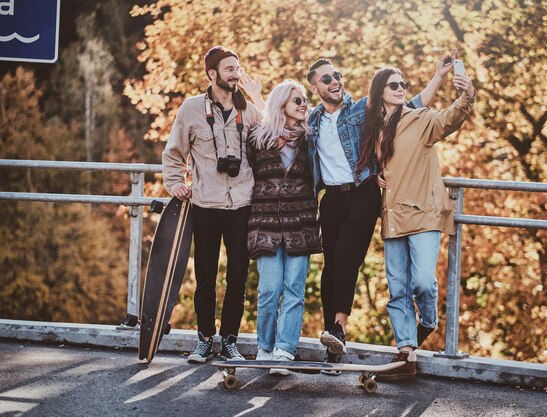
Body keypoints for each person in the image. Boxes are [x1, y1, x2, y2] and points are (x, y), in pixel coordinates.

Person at [305, 51, 457, 370]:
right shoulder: (312, 119)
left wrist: (439, 77)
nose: (335, 82)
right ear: (314, 87)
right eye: (327, 79)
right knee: (330, 265)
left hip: (362, 194)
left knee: (347, 258)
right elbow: (278, 118)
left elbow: (408, 106)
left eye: (337, 76)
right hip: (330, 199)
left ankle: (340, 327)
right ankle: (333, 333)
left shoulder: (359, 109)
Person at [359, 66, 475, 381]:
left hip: (424, 213)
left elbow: (449, 118)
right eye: (394, 84)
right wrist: (374, 173)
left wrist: (467, 93)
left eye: (404, 84)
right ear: (380, 90)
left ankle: (428, 320)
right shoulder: (372, 127)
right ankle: (406, 352)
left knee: (423, 282)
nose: (401, 88)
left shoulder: (419, 119)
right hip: (393, 216)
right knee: (397, 290)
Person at [162, 46, 263, 363]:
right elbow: (173, 153)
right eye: (230, 68)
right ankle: (204, 339)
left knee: (237, 277)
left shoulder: (249, 109)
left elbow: (274, 136)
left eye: (238, 67)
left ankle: (230, 340)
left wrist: (257, 96)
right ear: (212, 74)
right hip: (205, 204)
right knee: (204, 278)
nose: (236, 73)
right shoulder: (191, 109)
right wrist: (176, 183)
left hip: (242, 204)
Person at [246, 80, 322, 375]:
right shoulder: (259, 139)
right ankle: (265, 346)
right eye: (298, 101)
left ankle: (284, 350)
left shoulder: (311, 139)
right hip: (264, 222)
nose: (304, 105)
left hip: (301, 223)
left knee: (294, 289)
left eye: (304, 100)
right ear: (281, 106)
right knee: (269, 288)